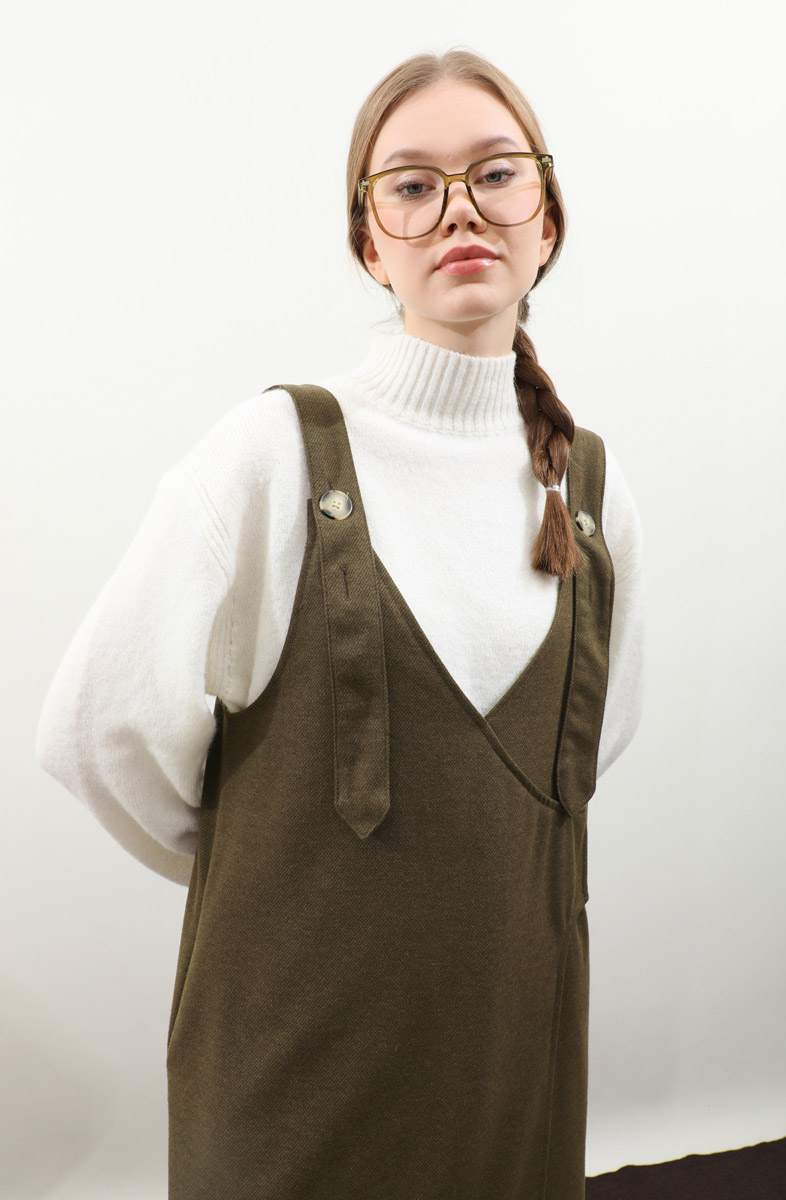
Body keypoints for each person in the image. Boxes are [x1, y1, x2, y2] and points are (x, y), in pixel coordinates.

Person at [37, 48, 645, 1200]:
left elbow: (586, 750)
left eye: (495, 173)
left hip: (512, 1068)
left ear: (546, 220)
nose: (458, 208)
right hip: (294, 1073)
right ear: (371, 244)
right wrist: (279, 874)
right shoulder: (270, 457)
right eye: (411, 184)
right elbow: (92, 734)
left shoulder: (592, 496)